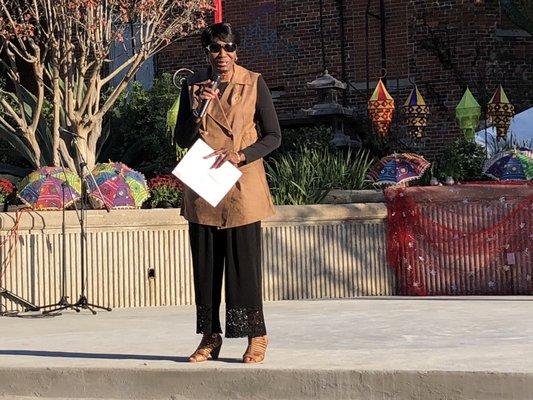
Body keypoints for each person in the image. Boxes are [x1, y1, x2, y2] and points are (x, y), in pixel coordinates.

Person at [173, 22, 281, 363]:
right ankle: (210, 338)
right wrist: (195, 110)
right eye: (215, 49)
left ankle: (256, 335)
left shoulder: (253, 83)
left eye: (229, 48)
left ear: (237, 50)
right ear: (206, 52)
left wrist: (241, 154)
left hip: (240, 182)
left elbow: (274, 136)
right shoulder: (193, 86)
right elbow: (182, 138)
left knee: (243, 265)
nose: (223, 55)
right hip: (203, 183)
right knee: (205, 266)